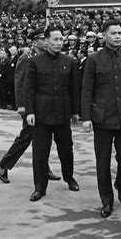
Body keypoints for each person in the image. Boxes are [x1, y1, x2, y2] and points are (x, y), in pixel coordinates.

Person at [81, 19, 121, 218]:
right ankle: (106, 200)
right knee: (103, 161)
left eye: (120, 33)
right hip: (102, 118)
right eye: (114, 33)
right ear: (104, 35)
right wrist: (86, 118)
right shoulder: (94, 59)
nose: (118, 36)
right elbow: (87, 90)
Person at [0, 28, 61, 184]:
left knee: (44, 138)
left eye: (47, 39)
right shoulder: (26, 58)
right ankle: (3, 165)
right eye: (42, 39)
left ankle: (44, 169)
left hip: (44, 105)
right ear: (34, 41)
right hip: (30, 106)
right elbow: (20, 84)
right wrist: (22, 106)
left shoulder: (46, 57)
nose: (46, 42)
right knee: (27, 136)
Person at [25, 26, 80, 202]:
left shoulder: (69, 61)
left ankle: (69, 178)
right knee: (40, 152)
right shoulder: (35, 62)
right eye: (55, 39)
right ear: (46, 40)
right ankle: (39, 187)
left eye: (61, 40)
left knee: (66, 149)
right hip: (41, 114)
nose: (59, 43)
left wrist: (75, 112)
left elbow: (74, 89)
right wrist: (30, 111)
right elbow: (29, 89)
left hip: (62, 113)